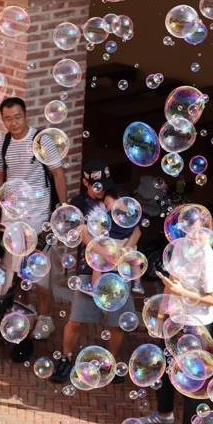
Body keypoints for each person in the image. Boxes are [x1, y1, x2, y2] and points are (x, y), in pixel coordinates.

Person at [48, 161, 130, 384]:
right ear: (85, 182)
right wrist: (109, 255)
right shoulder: (78, 204)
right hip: (90, 267)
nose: (102, 190)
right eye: (96, 186)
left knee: (117, 322)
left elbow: (137, 229)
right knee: (76, 320)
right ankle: (66, 359)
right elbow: (84, 236)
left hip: (120, 268)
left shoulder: (117, 199)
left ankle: (110, 363)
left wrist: (127, 249)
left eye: (105, 186)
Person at [0, 97, 68, 333]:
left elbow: (57, 173)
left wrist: (62, 208)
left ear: (25, 116)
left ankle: (46, 317)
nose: (13, 123)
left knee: (37, 272)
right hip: (12, 216)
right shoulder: (3, 142)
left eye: (17, 117)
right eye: (8, 119)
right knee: (14, 270)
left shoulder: (41, 140)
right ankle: (22, 312)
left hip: (37, 217)